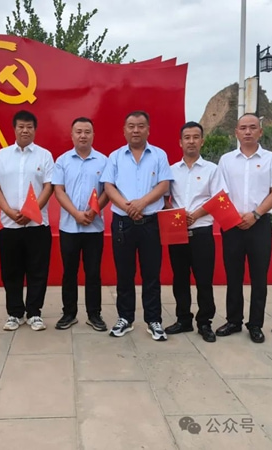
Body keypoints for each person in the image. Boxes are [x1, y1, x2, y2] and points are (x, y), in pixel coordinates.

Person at [100, 110, 174, 341]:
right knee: (125, 273)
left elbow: (164, 185)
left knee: (151, 273)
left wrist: (142, 203)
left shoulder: (159, 155)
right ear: (124, 130)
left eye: (140, 126)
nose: (136, 130)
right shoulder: (115, 157)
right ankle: (125, 318)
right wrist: (127, 206)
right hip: (123, 223)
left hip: (151, 222)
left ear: (148, 130)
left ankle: (154, 320)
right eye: (131, 126)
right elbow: (108, 186)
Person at [216, 113, 272, 343]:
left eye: (252, 127)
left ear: (260, 132)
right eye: (243, 127)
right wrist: (233, 216)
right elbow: (220, 192)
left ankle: (255, 324)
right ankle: (233, 321)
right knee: (233, 275)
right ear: (236, 132)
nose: (247, 132)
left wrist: (255, 214)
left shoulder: (271, 159)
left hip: (259, 223)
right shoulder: (226, 160)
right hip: (232, 224)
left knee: (259, 277)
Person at [0, 110, 54, 331]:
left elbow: (49, 186)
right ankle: (15, 313)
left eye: (29, 127)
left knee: (38, 271)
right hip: (9, 225)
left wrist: (31, 211)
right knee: (11, 271)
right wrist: (7, 210)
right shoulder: (2, 155)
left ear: (35, 129)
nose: (25, 130)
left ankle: (34, 313)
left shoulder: (44, 155)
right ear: (14, 129)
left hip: (37, 225)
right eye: (21, 127)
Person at [165, 121, 224, 343]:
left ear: (202, 141)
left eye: (195, 137)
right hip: (177, 232)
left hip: (202, 231)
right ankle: (183, 319)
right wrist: (178, 215)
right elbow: (165, 199)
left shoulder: (212, 169)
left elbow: (219, 198)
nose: (191, 141)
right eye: (187, 137)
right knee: (180, 278)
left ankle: (205, 322)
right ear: (180, 142)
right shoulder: (171, 170)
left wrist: (196, 215)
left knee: (203, 279)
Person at [52, 117, 109, 331]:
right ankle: (69, 313)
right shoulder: (62, 160)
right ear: (72, 135)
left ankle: (94, 314)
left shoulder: (103, 161)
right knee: (69, 272)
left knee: (93, 272)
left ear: (93, 135)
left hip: (94, 227)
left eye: (87, 132)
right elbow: (59, 191)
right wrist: (76, 214)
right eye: (79, 132)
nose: (83, 135)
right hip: (69, 227)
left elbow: (108, 190)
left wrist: (93, 211)